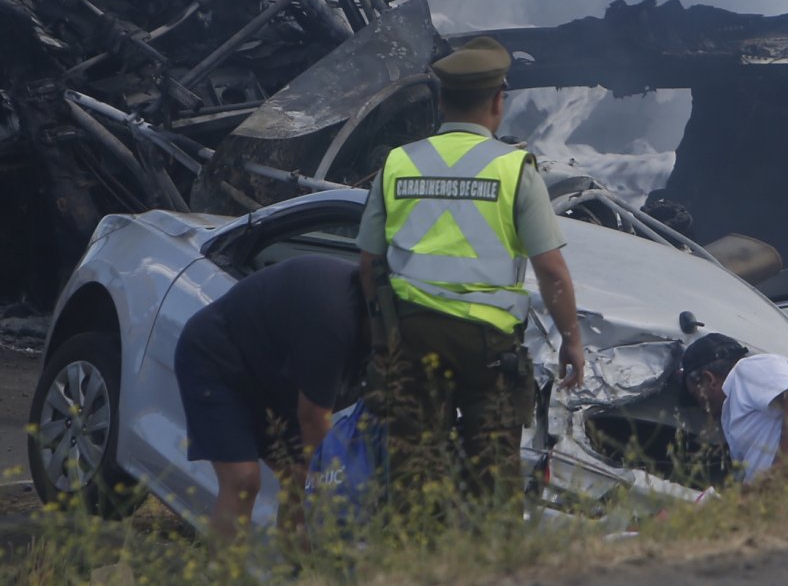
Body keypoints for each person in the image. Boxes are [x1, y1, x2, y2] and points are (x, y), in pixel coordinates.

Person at [356, 36, 585, 511]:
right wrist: (572, 339)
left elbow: (369, 262)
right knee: (491, 479)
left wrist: (383, 337)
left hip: (412, 336)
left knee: (413, 476)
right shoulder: (514, 168)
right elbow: (550, 269)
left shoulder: (397, 163)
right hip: (489, 344)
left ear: (440, 101)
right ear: (498, 101)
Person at [174, 255, 370, 541]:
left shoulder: (385, 330)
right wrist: (335, 486)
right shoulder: (334, 320)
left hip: (276, 379)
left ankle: (293, 573)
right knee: (243, 480)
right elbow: (314, 420)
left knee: (302, 481)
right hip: (218, 359)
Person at [681, 333, 788, 484]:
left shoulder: (747, 369)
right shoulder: (731, 408)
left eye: (695, 394)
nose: (700, 406)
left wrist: (779, 471)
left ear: (709, 379)